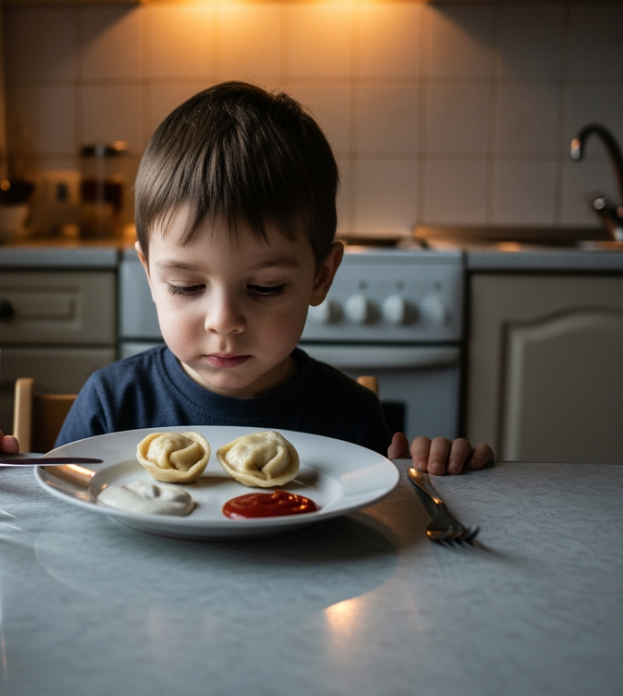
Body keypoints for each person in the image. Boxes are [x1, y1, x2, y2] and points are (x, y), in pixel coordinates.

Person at [33, 82, 491, 475]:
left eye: (265, 288)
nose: (224, 321)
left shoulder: (350, 415)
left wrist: (436, 470)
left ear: (321, 277)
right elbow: (57, 512)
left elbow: (373, 525)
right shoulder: (113, 403)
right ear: (150, 276)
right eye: (187, 286)